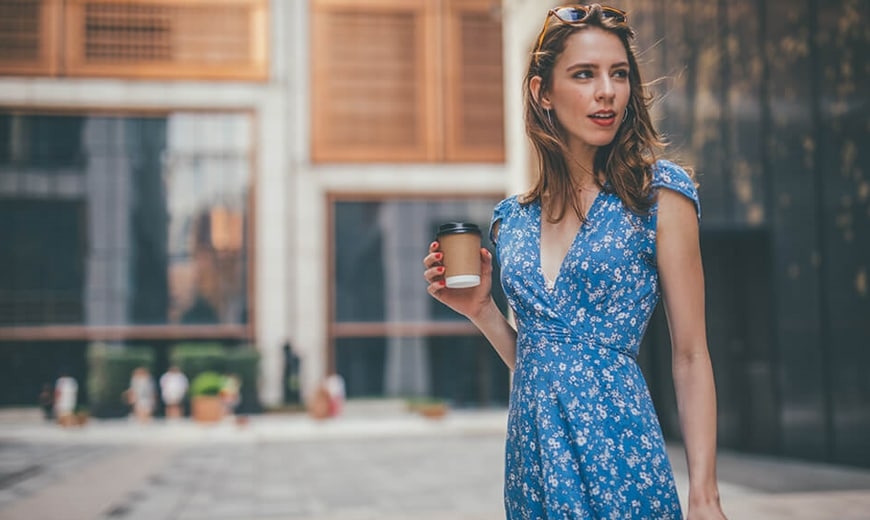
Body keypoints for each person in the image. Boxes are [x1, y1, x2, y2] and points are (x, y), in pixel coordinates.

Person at [423, 5, 727, 519]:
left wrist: (705, 495)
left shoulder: (658, 196)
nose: (606, 90)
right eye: (584, 74)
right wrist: (482, 311)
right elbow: (542, 362)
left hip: (620, 454)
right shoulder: (510, 222)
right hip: (533, 460)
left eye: (619, 74)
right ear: (543, 92)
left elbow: (692, 354)